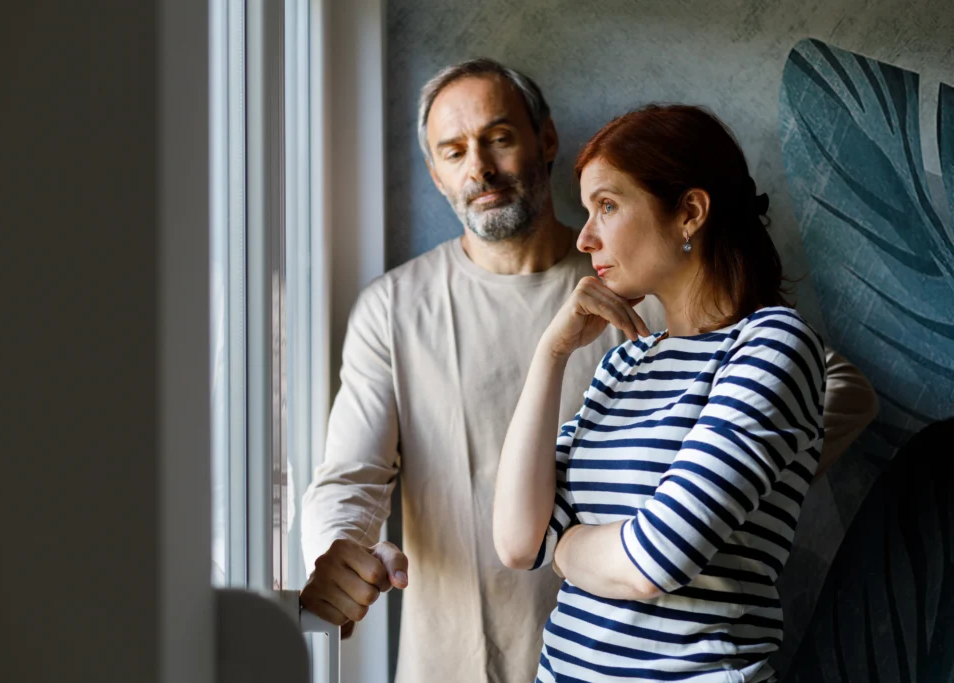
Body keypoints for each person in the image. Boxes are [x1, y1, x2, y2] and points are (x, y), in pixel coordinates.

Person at [300, 59, 878, 683]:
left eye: (498, 137)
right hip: (464, 657)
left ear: (544, 140)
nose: (480, 168)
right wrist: (338, 548)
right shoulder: (394, 308)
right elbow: (356, 479)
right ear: (435, 173)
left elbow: (833, 390)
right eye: (454, 150)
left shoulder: (654, 292)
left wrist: (736, 480)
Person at [494, 104, 830, 682]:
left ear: (689, 213)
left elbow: (654, 559)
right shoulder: (625, 362)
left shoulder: (772, 345)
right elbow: (520, 543)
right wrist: (550, 357)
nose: (584, 236)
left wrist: (569, 549)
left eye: (607, 205)